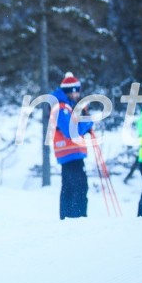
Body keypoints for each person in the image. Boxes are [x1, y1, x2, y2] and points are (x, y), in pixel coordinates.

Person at [51, 72, 93, 220]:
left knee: (70, 188)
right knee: (79, 187)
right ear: (71, 90)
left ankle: (69, 218)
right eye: (77, 91)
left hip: (71, 153)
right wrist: (87, 122)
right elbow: (70, 131)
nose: (78, 94)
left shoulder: (68, 106)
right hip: (70, 153)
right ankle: (77, 218)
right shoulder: (62, 107)